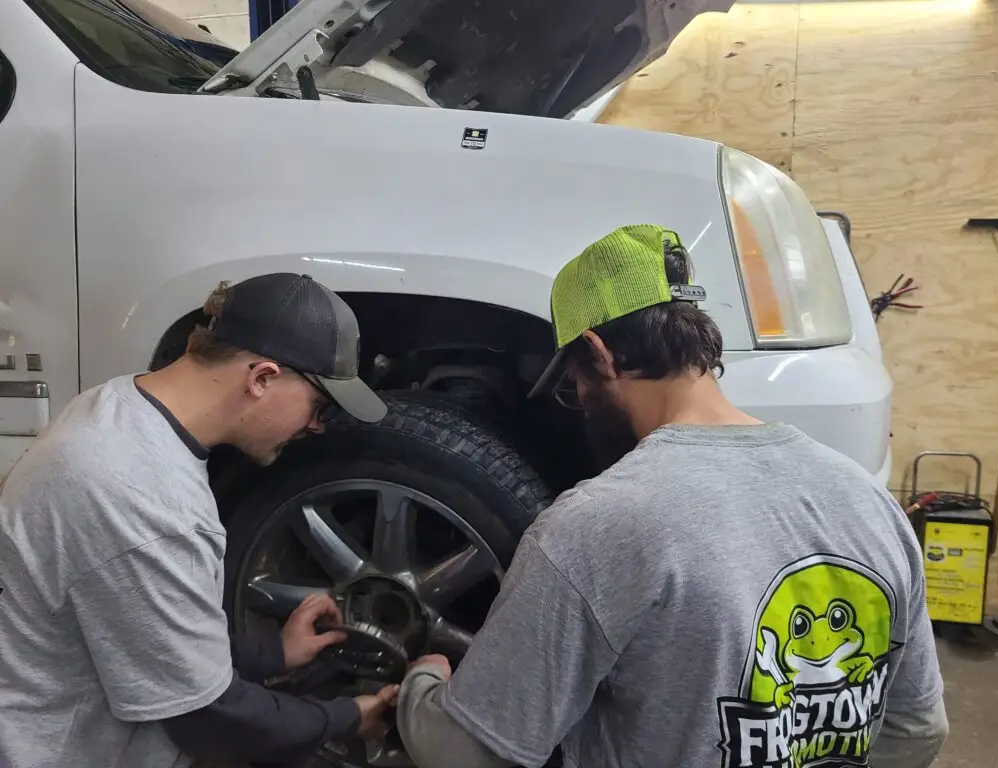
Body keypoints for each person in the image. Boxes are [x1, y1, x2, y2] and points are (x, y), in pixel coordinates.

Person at [394, 225, 949, 768]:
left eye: (574, 383)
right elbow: (918, 731)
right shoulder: (869, 502)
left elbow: (463, 752)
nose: (580, 400)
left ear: (600, 353)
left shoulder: (595, 527)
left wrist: (424, 678)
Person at [0, 273, 398, 768]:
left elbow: (140, 628)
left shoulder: (114, 404)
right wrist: (346, 718)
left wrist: (272, 654)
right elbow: (211, 719)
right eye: (318, 406)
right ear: (262, 378)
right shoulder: (150, 506)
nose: (316, 427)